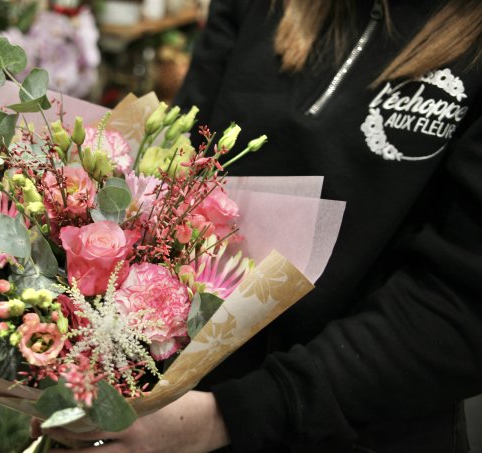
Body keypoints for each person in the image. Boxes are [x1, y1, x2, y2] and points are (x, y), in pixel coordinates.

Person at [40, 0, 482, 451]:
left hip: (357, 419)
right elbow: (183, 163)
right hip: (177, 399)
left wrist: (230, 415)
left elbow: (461, 307)